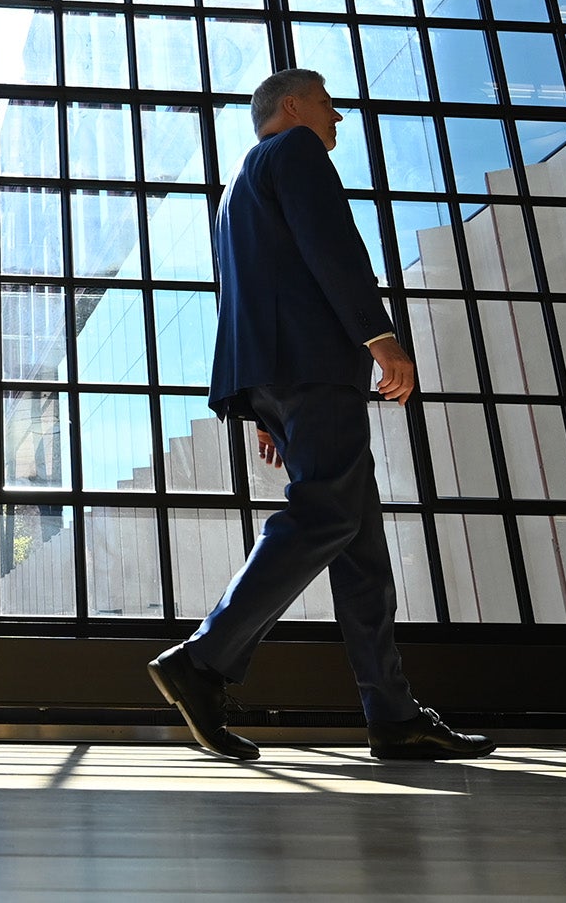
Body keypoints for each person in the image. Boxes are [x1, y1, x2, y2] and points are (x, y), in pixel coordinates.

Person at [148, 68, 494, 763]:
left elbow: (239, 294)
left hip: (273, 372)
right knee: (328, 515)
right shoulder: (295, 151)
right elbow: (331, 246)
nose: (338, 118)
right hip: (312, 366)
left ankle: (392, 715)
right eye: (330, 104)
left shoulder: (236, 187)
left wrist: (258, 406)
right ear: (294, 105)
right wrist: (381, 336)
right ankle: (204, 657)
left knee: (360, 547)